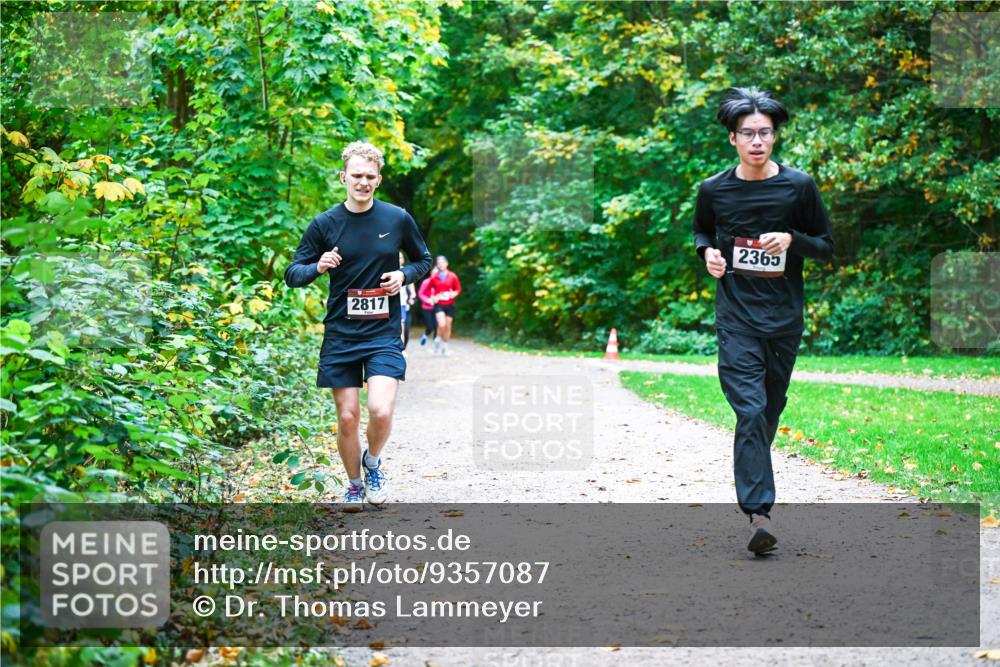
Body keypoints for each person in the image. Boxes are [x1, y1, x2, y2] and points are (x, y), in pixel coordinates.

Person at [692, 87, 834, 554]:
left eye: (766, 133)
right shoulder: (714, 189)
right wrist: (708, 254)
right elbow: (702, 231)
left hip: (784, 319)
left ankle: (754, 472)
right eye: (748, 133)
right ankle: (759, 513)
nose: (758, 141)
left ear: (774, 137)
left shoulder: (798, 187)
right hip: (736, 317)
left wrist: (792, 239)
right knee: (749, 410)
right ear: (733, 138)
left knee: (768, 410)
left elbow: (826, 247)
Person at [284, 141, 432, 511]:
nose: (362, 182)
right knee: (348, 417)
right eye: (356, 176)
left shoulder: (397, 219)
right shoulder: (325, 224)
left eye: (369, 176)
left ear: (378, 180)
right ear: (343, 177)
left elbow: (423, 261)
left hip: (382, 333)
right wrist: (318, 266)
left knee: (380, 410)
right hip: (341, 333)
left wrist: (403, 274)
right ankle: (353, 485)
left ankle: (373, 463)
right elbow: (292, 274)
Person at [428, 255, 461, 355]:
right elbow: (428, 289)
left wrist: (454, 293)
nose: (441, 264)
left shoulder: (452, 276)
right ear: (437, 265)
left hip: (450, 305)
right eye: (439, 263)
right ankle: (437, 341)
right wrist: (433, 297)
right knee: (441, 324)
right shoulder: (434, 277)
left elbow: (458, 289)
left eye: (442, 262)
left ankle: (445, 347)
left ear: (447, 264)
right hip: (439, 305)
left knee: (448, 326)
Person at [398, 251, 417, 354]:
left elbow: (411, 288)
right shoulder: (385, 271)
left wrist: (412, 297)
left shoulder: (405, 272)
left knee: (401, 326)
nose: (398, 259)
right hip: (385, 304)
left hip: (401, 303)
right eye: (397, 257)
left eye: (400, 257)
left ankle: (401, 350)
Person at [417, 275, 437, 349]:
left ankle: (435, 345)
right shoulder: (426, 282)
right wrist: (428, 300)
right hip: (426, 307)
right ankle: (424, 336)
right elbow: (420, 293)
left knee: (437, 326)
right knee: (430, 326)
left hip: (437, 307)